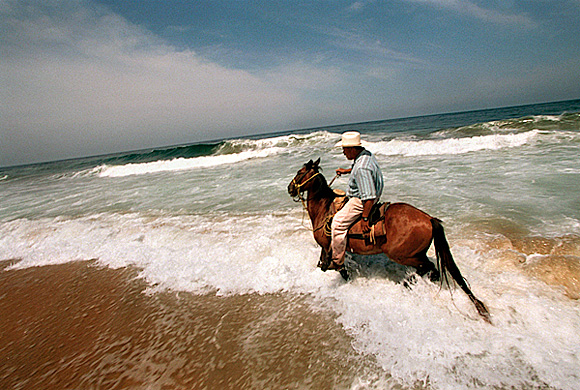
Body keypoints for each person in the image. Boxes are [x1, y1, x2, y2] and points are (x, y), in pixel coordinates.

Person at [329, 131, 384, 270]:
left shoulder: (361, 168)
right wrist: (347, 171)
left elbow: (369, 197)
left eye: (344, 149)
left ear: (353, 149)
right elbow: (358, 168)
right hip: (371, 194)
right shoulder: (365, 154)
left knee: (337, 223)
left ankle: (337, 261)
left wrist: (365, 218)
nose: (343, 152)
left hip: (361, 201)